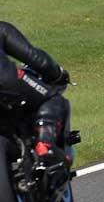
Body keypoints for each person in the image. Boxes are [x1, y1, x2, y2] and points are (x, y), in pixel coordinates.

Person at [0, 21, 71, 171]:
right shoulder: (1, 28)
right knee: (52, 98)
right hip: (6, 80)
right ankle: (46, 143)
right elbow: (37, 59)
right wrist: (57, 73)